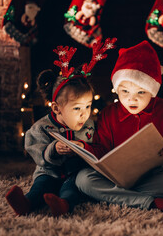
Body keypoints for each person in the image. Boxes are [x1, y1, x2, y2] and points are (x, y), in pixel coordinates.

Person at [76, 40, 163, 213]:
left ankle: (115, 196)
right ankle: (150, 202)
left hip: (153, 175)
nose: (132, 99)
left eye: (141, 92)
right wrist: (85, 149)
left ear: (152, 91)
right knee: (82, 179)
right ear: (117, 89)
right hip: (115, 178)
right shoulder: (108, 114)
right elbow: (101, 149)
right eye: (125, 92)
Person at [5, 45, 97, 217]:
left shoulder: (89, 125)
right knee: (41, 186)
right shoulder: (41, 127)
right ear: (57, 108)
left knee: (72, 189)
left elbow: (97, 146)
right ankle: (27, 203)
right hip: (49, 172)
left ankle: (63, 205)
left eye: (88, 106)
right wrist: (53, 149)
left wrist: (84, 147)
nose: (84, 113)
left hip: (74, 174)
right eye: (77, 108)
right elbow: (33, 147)